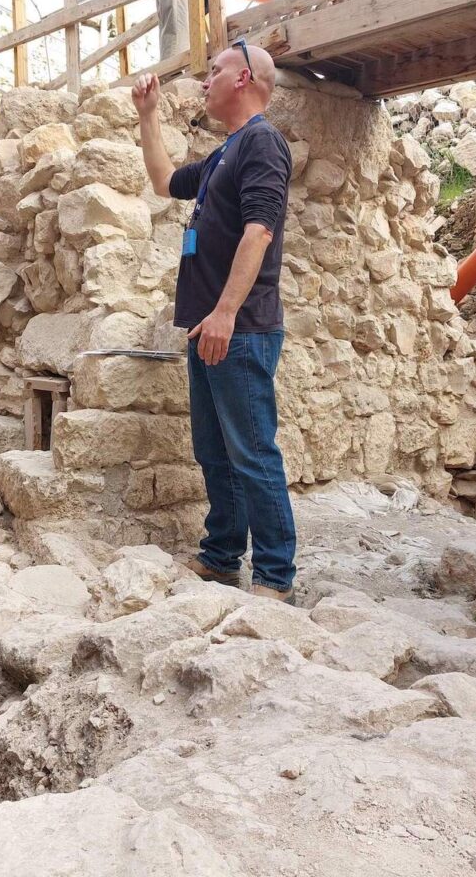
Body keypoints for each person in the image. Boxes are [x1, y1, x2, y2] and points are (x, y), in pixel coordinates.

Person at [132, 42, 298, 603]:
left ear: (245, 77)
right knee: (214, 450)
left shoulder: (263, 143)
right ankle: (221, 556)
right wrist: (148, 117)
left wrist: (226, 312)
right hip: (209, 328)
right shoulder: (224, 152)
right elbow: (161, 182)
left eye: (215, 72)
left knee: (252, 451)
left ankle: (276, 575)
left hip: (241, 328)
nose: (205, 83)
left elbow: (259, 232)